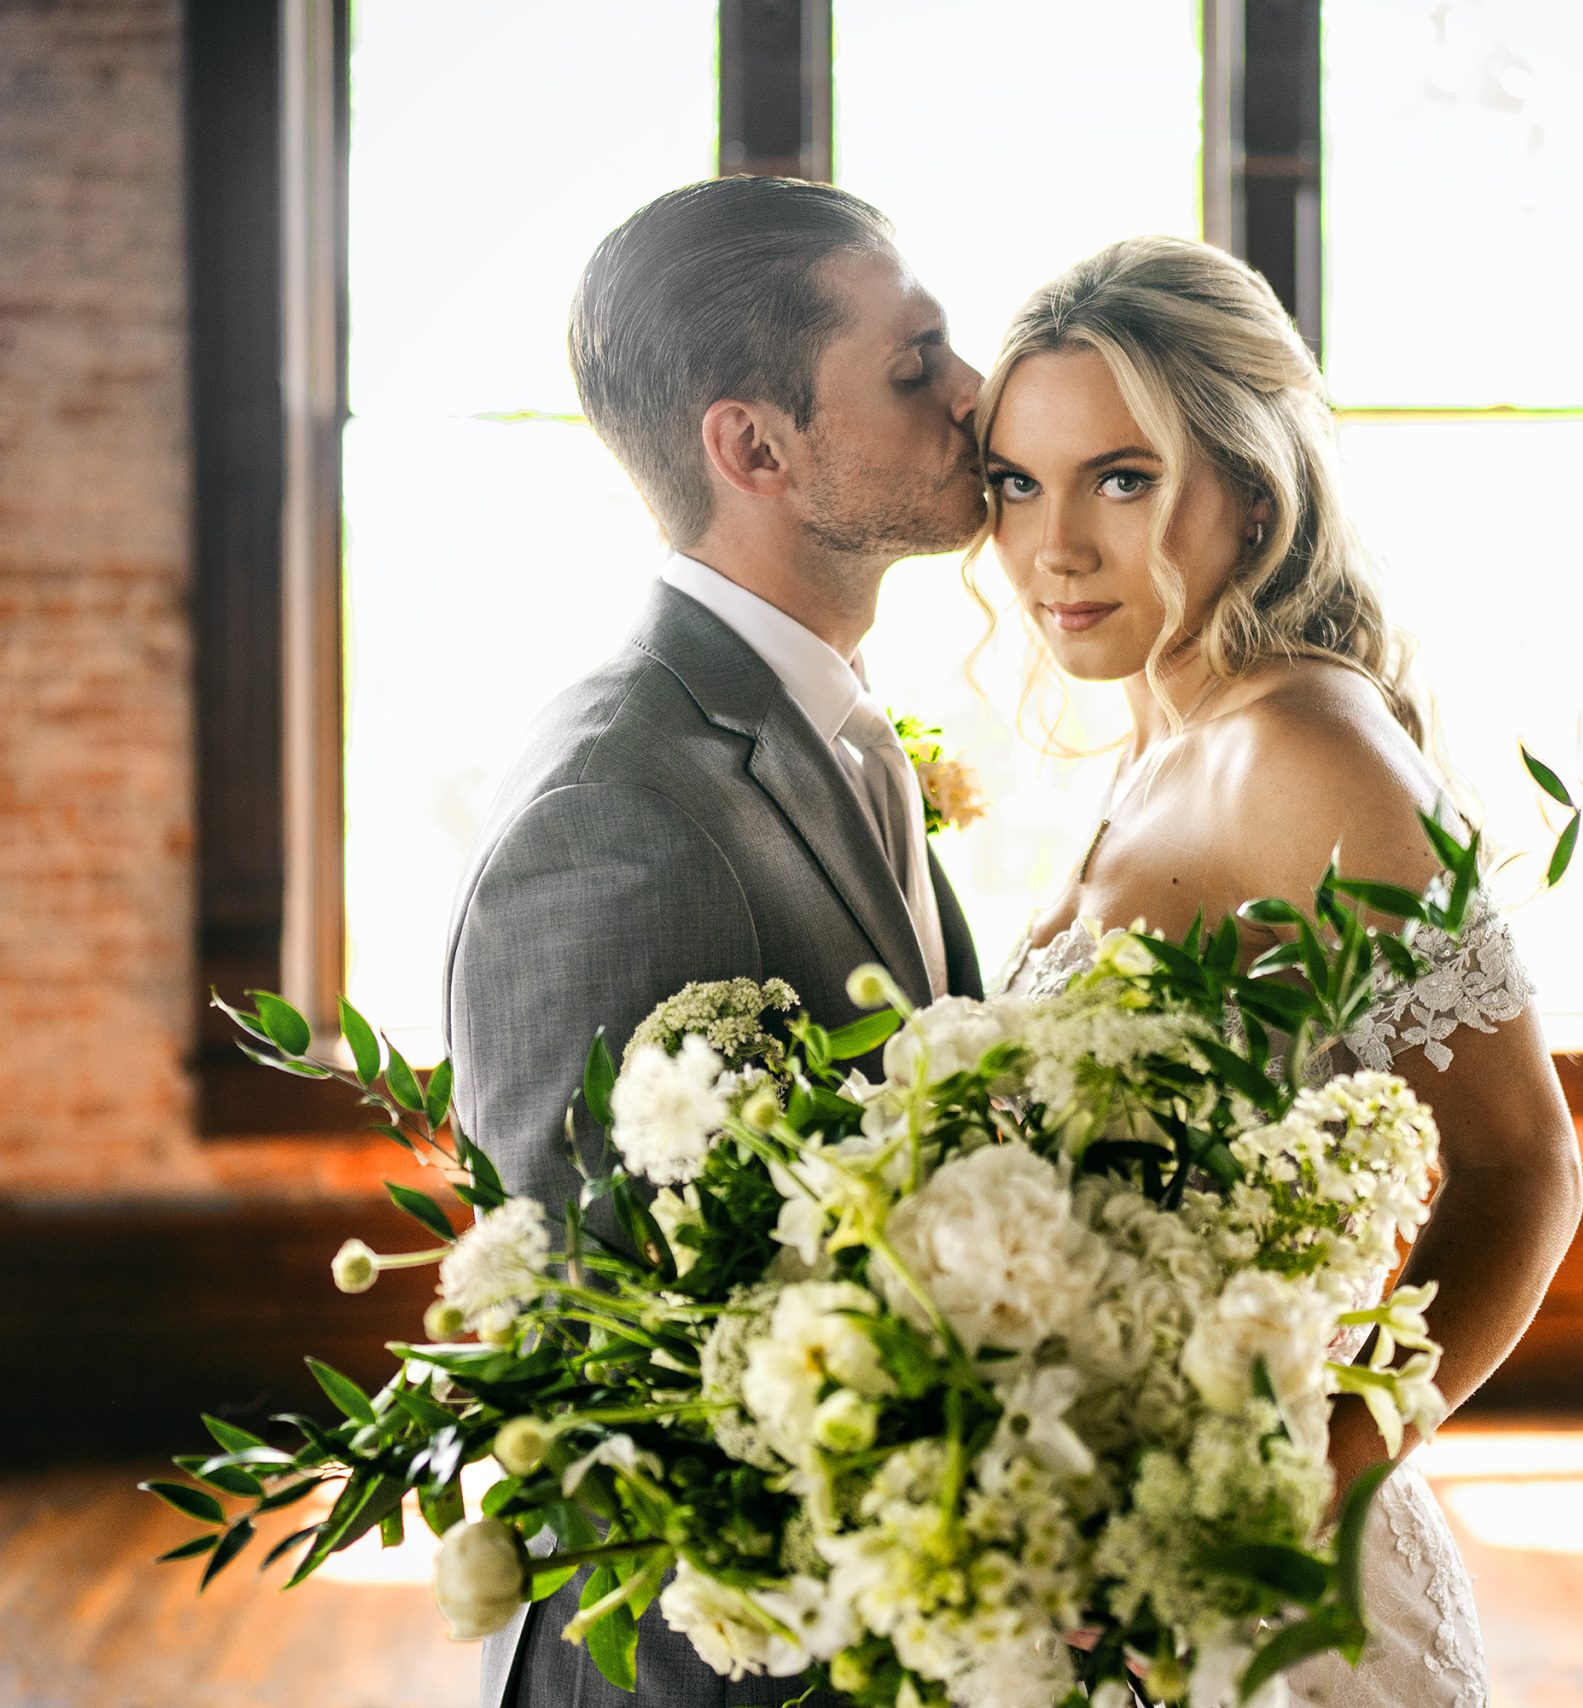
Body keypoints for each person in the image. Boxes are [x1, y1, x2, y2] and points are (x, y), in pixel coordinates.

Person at [981, 236, 1583, 1707]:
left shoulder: (1306, 750)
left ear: (1253, 489)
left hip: (1260, 1595)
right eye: (1016, 481)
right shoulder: (1168, 736)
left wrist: (1304, 1484)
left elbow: (1523, 1168)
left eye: (1122, 478)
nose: (1055, 543)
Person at [441, 175, 986, 1708]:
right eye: (914, 364)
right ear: (752, 446)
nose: (974, 398)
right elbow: (609, 1381)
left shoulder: (815, 722)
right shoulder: (611, 815)